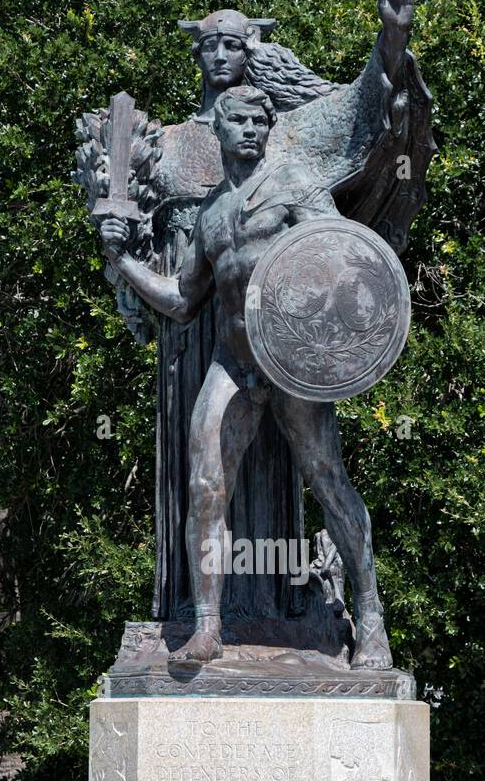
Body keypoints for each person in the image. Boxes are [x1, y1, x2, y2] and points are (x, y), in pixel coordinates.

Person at [100, 84, 392, 668]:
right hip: (232, 361)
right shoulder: (211, 215)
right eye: (239, 121)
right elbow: (183, 299)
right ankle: (206, 628)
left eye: (261, 120)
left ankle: (372, 618)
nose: (252, 130)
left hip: (291, 359)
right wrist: (124, 260)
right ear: (221, 130)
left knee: (326, 478)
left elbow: (341, 256)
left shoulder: (294, 186)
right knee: (205, 482)